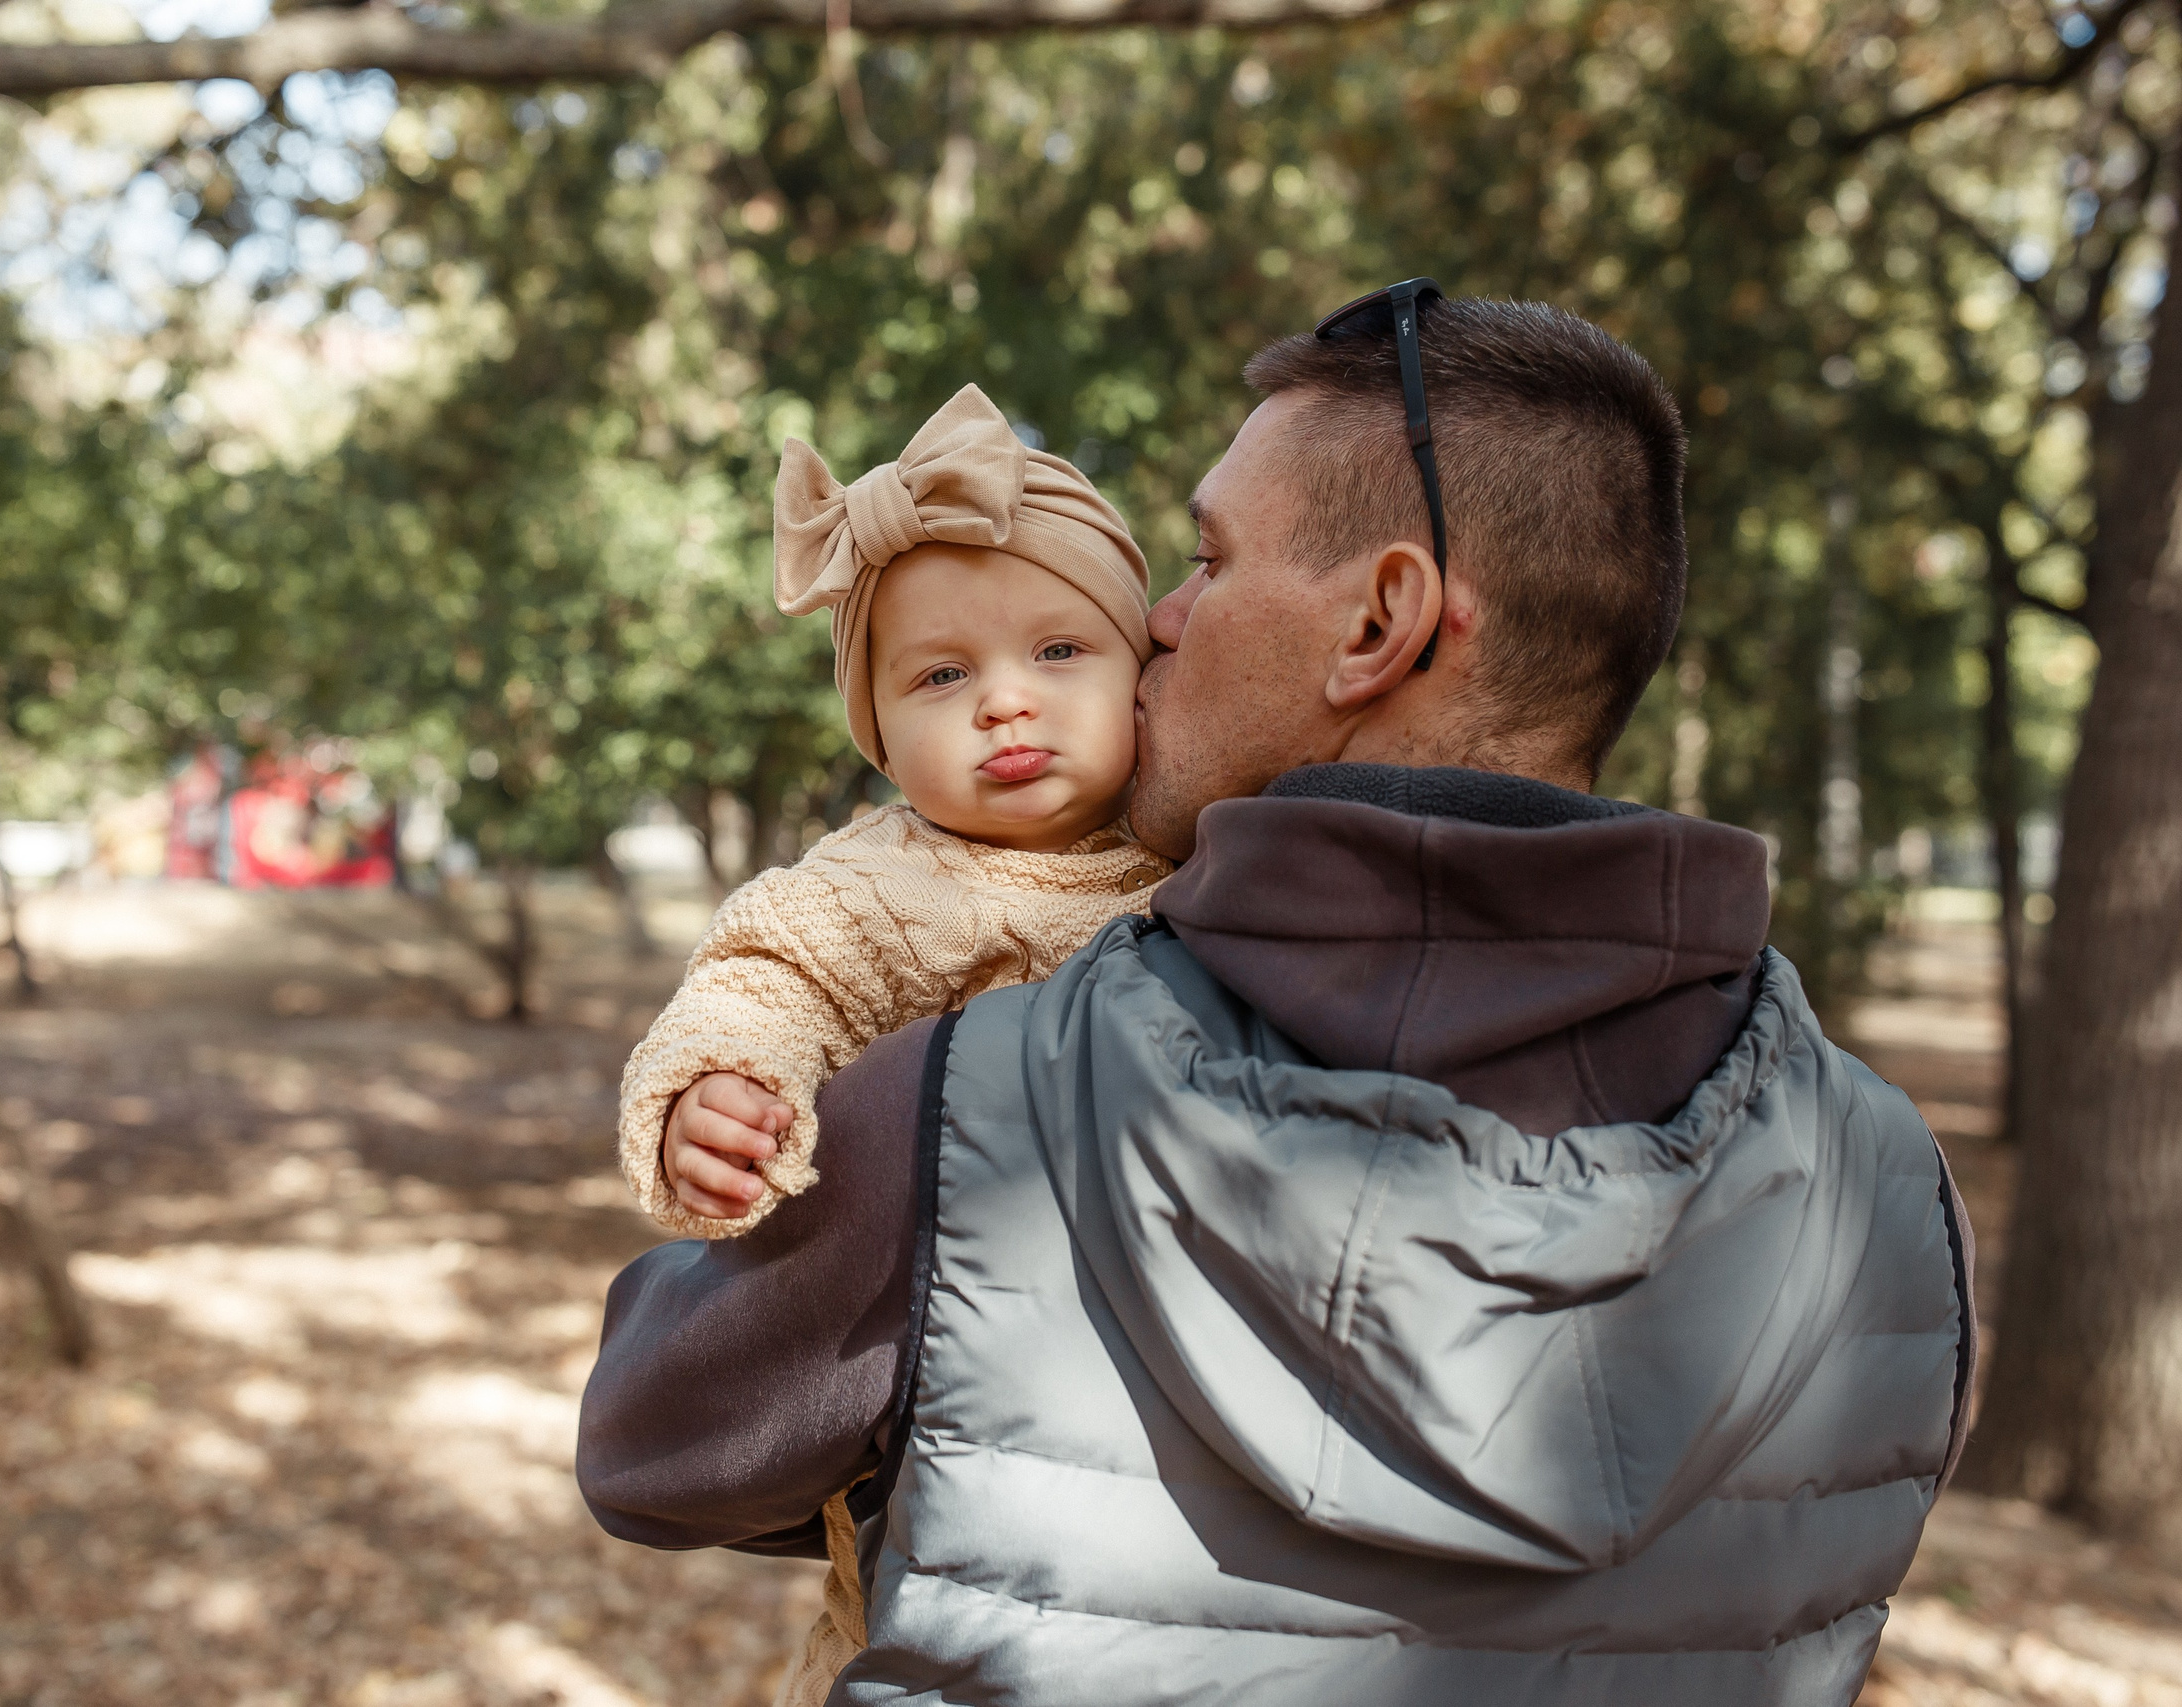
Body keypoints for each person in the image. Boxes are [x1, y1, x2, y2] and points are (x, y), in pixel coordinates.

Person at [580, 287, 1976, 1706]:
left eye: (1206, 556)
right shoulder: (1886, 1192)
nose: (1164, 617)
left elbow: (652, 1446)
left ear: (1381, 621)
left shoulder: (980, 1112)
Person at [616, 381, 1169, 1241]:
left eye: (1059, 651)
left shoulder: (1203, 827)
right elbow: (766, 982)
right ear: (879, 732)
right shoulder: (871, 887)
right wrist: (720, 1087)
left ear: (1141, 670)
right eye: (943, 676)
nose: (1005, 700)